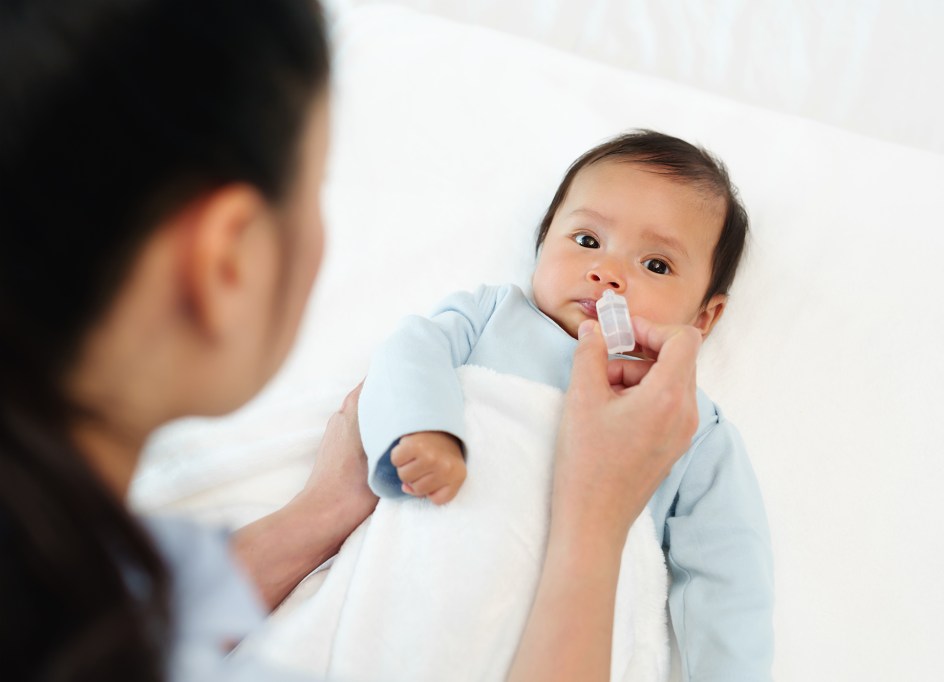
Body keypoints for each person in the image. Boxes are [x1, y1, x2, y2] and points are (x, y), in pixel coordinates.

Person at [0, 1, 704, 681]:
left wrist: (323, 510)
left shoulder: (70, 586)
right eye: (317, 188)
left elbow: (135, 630)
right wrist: (595, 521)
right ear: (224, 263)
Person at [359, 130, 774, 678]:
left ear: (703, 318)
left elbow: (730, 578)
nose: (608, 273)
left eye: (655, 265)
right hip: (427, 590)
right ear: (541, 244)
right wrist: (426, 429)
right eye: (586, 240)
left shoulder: (687, 421)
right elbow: (410, 353)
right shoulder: (489, 317)